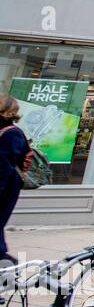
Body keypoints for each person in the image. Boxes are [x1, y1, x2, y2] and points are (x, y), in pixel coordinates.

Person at [0, 94, 28, 265]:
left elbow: (5, 164)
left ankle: (2, 256)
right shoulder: (13, 132)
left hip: (6, 185)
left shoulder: (12, 133)